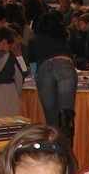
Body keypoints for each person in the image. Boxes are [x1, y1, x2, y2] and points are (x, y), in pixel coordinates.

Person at [28, 12, 77, 145]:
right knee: (66, 117)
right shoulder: (62, 39)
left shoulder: (34, 41)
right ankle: (68, 153)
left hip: (45, 70)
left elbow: (33, 67)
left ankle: (55, 150)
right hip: (66, 67)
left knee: (51, 119)